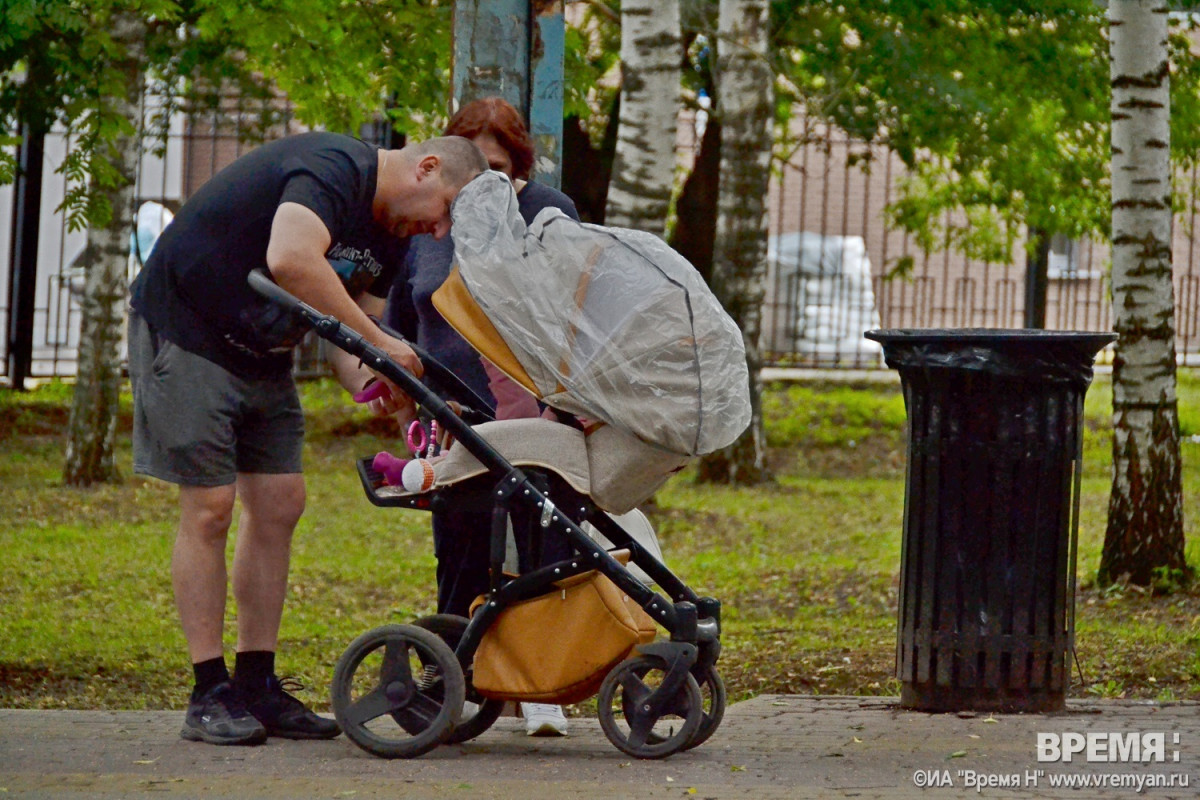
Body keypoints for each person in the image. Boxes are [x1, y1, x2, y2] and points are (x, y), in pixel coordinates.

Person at [128, 131, 488, 746]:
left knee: (280, 504)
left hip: (262, 353)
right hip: (187, 331)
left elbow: (352, 340)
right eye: (447, 211)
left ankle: (256, 683)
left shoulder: (391, 238)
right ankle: (208, 690)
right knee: (211, 507)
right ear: (427, 169)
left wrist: (387, 386)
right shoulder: (333, 168)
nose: (437, 232)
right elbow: (292, 260)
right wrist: (381, 344)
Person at [385, 97, 578, 737]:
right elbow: (403, 323)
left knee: (546, 542)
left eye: (499, 167)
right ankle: (453, 677)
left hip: (536, 413)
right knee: (461, 548)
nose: (484, 184)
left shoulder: (547, 212)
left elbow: (570, 308)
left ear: (519, 166)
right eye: (474, 167)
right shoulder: (430, 227)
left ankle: (542, 680)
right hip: (455, 414)